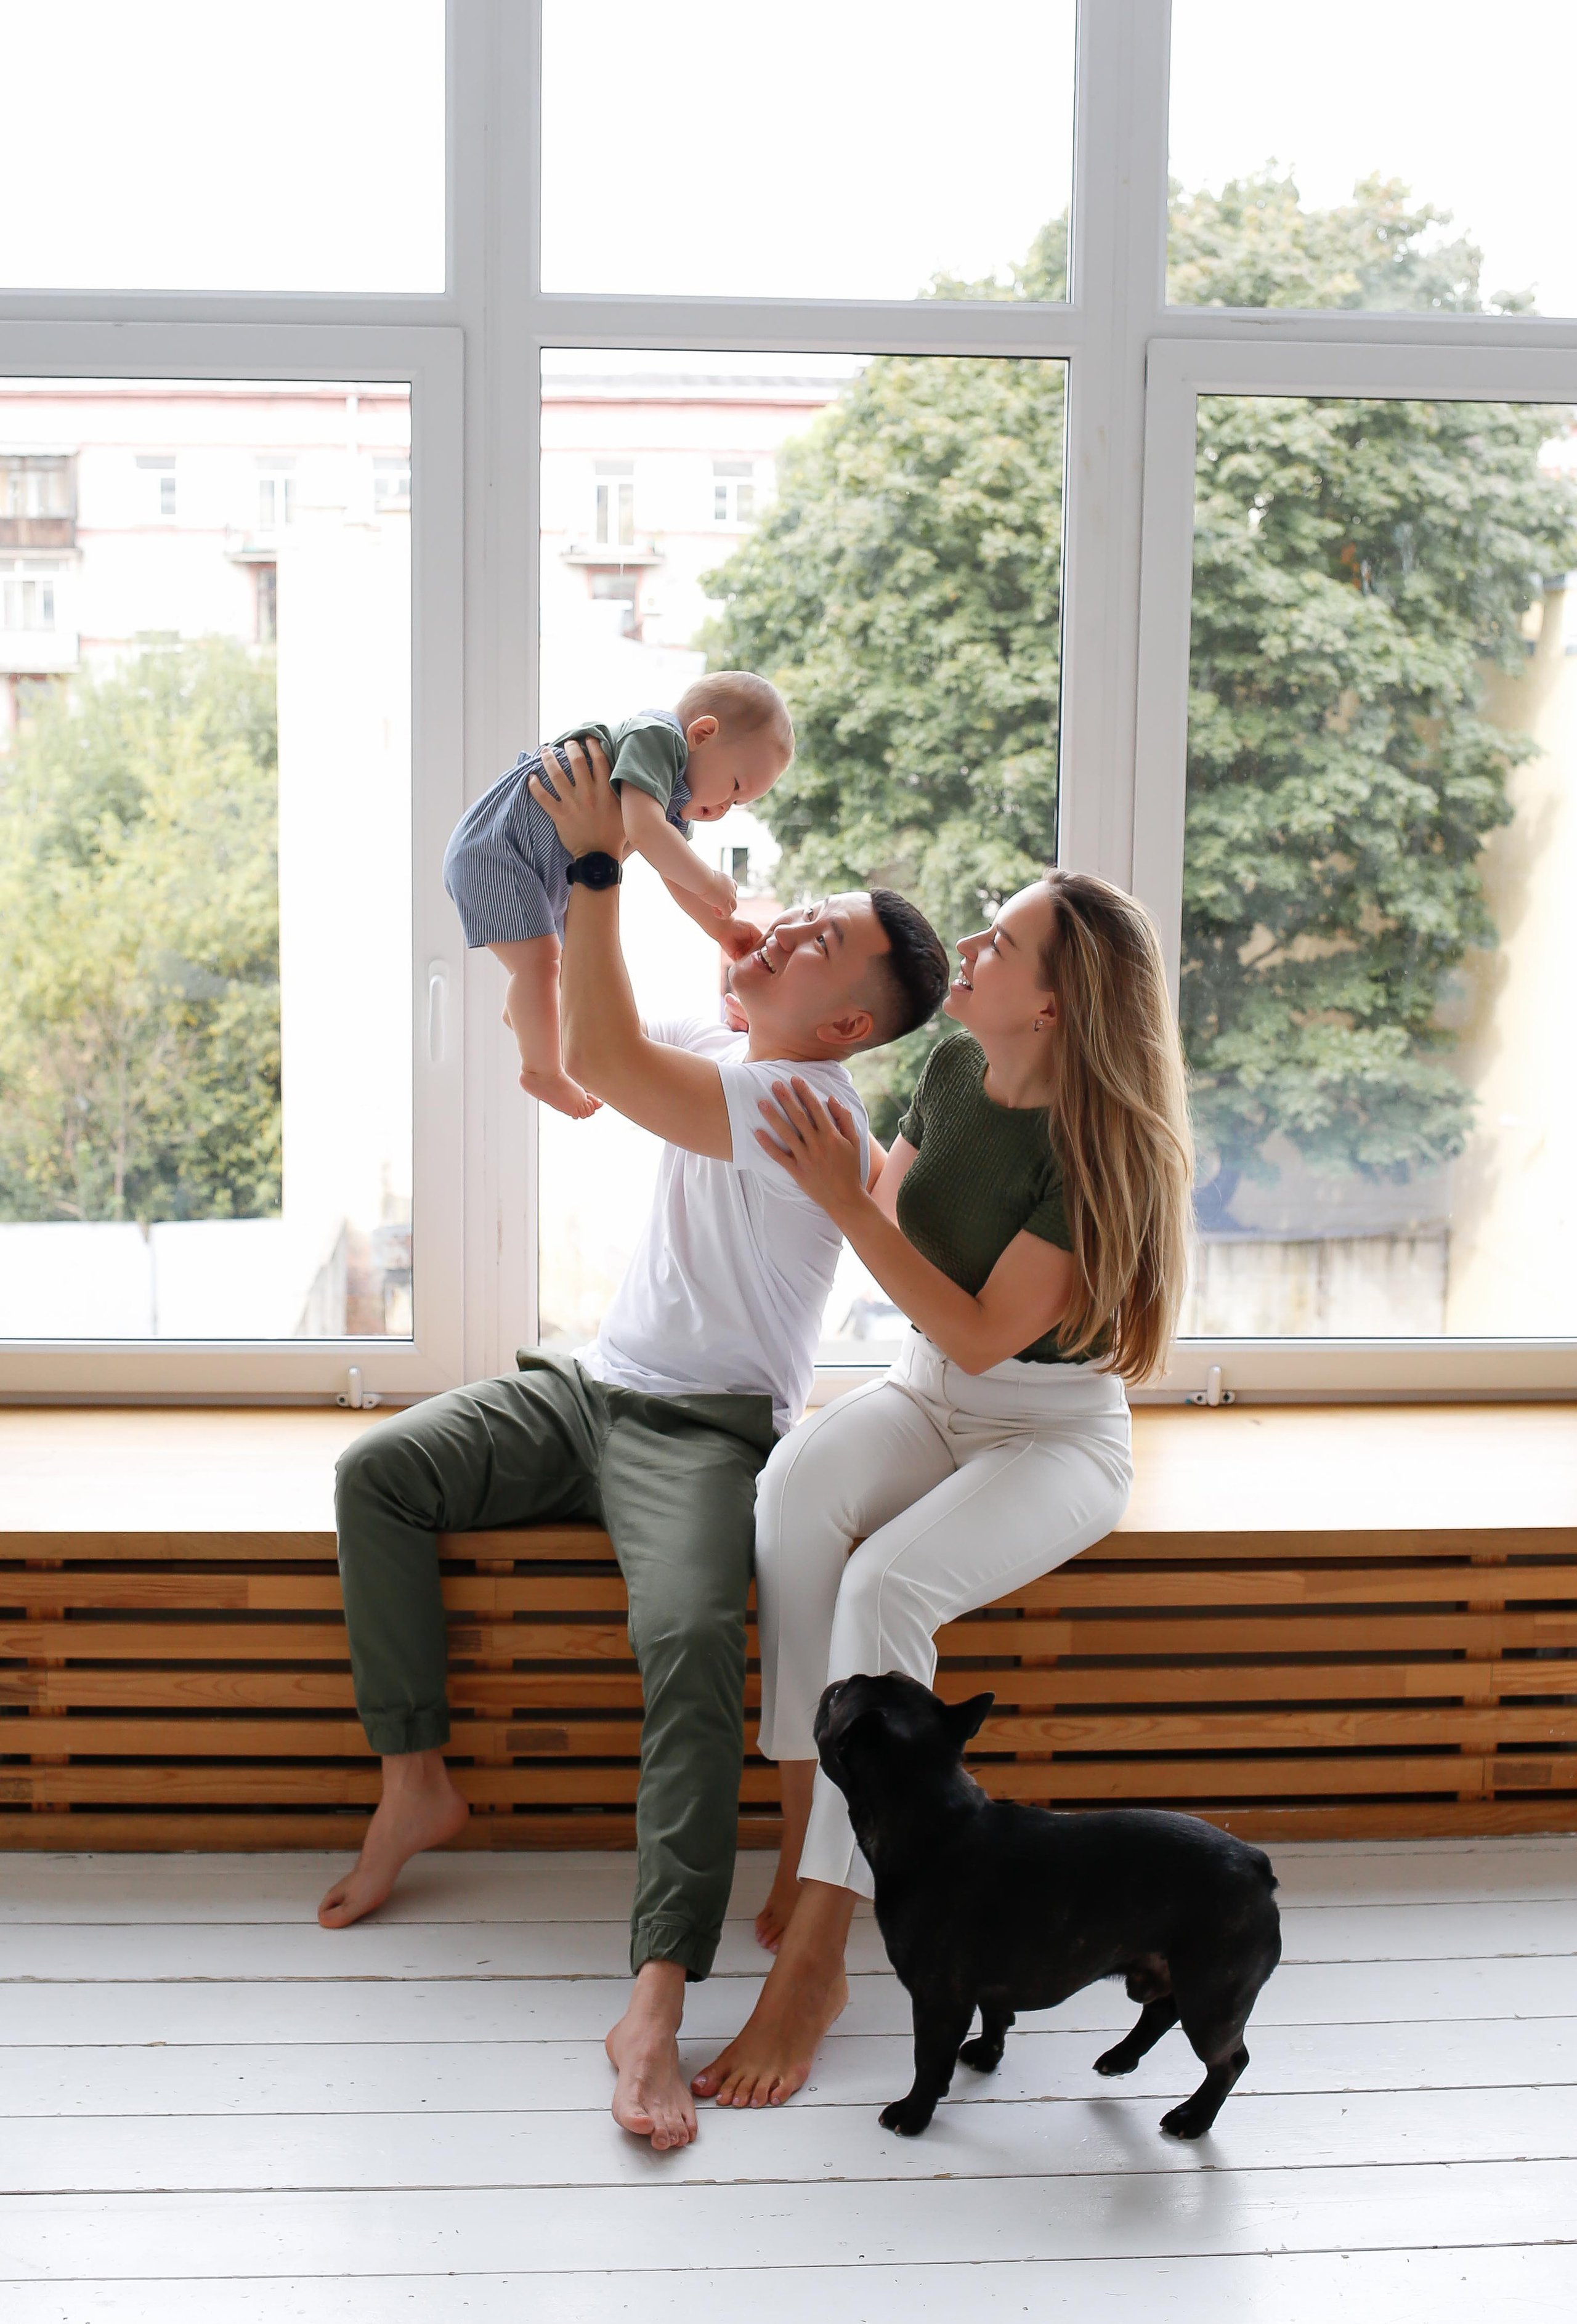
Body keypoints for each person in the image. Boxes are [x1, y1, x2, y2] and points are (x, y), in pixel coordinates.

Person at [318, 734, 951, 2155]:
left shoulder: (798, 1107)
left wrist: (598, 853)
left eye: (816, 941)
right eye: (804, 911)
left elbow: (601, 1055)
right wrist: (654, 862)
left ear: (848, 1028)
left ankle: (653, 1998)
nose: (782, 926)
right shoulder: (743, 1050)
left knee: (683, 1648)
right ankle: (415, 1778)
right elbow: (618, 1029)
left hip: (698, 1437)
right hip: (593, 1389)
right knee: (380, 1475)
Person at [692, 868, 1194, 2111]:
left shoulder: (1098, 1149)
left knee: (885, 1583)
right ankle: (808, 1824)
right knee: (794, 1492)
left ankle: (817, 1952)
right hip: (927, 1386)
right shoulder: (955, 1073)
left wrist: (835, 1195)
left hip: (1049, 1429)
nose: (968, 942)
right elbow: (888, 1231)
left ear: (1055, 1005)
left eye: (1002, 940)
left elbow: (980, 1331)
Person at [443, 672, 794, 1117]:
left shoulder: (668, 798)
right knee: (543, 963)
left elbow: (671, 871)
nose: (726, 808)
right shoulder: (658, 739)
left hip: (536, 866)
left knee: (557, 967)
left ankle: (529, 1014)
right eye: (736, 787)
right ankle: (542, 1070)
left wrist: (721, 929)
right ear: (703, 734)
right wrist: (711, 881)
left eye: (738, 805)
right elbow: (645, 832)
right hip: (498, 851)